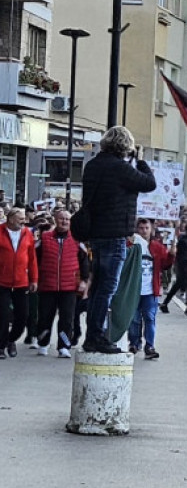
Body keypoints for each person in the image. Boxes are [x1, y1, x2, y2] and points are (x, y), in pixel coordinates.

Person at [79, 127, 156, 353]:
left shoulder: (92, 165)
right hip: (114, 235)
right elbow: (148, 183)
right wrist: (140, 161)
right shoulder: (120, 168)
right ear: (126, 146)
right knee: (107, 288)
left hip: (95, 234)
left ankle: (92, 334)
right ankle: (96, 336)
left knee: (98, 288)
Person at [35, 209, 89, 358]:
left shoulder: (77, 240)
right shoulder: (44, 238)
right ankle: (43, 344)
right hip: (47, 286)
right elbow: (34, 259)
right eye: (61, 219)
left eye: (67, 219)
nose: (64, 222)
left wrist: (84, 281)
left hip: (69, 287)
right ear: (55, 220)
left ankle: (64, 346)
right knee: (45, 316)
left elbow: (85, 262)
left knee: (67, 318)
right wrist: (35, 278)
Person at [127, 219, 175, 359]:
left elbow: (165, 265)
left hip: (150, 289)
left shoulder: (157, 247)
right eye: (141, 228)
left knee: (150, 318)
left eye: (146, 228)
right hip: (134, 289)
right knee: (134, 319)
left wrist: (172, 254)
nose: (144, 231)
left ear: (151, 229)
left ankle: (150, 345)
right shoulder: (131, 245)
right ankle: (134, 343)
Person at [0, 208, 38, 358]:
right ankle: (1, 346)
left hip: (22, 281)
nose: (24, 221)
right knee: (3, 315)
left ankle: (11, 339)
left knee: (23, 316)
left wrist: (34, 279)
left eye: (24, 218)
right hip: (2, 281)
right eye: (20, 218)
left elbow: (32, 259)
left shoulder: (27, 233)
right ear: (10, 219)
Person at [161, 222, 187, 315]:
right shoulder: (185, 241)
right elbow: (185, 256)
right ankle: (186, 306)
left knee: (184, 286)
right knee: (185, 286)